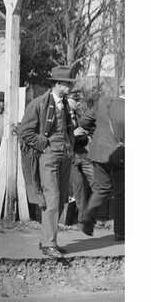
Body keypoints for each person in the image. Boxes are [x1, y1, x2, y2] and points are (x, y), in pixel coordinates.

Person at [18, 65, 78, 259]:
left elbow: (69, 128)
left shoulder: (67, 105)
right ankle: (49, 243)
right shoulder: (38, 104)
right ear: (58, 84)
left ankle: (49, 240)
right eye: (68, 84)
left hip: (65, 156)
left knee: (60, 199)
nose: (71, 87)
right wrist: (44, 145)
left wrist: (71, 142)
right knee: (51, 198)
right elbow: (25, 132)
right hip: (49, 157)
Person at [77, 79, 125, 240]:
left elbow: (83, 121)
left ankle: (87, 220)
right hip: (119, 155)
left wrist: (97, 135)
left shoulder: (105, 104)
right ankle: (120, 232)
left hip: (98, 152)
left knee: (101, 188)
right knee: (121, 192)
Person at [63, 92, 93, 227]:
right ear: (68, 100)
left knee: (97, 181)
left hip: (81, 153)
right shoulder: (61, 115)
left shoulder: (76, 115)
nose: (78, 103)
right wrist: (74, 134)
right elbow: (59, 137)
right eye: (76, 100)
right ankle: (83, 219)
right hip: (69, 155)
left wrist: (85, 135)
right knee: (79, 183)